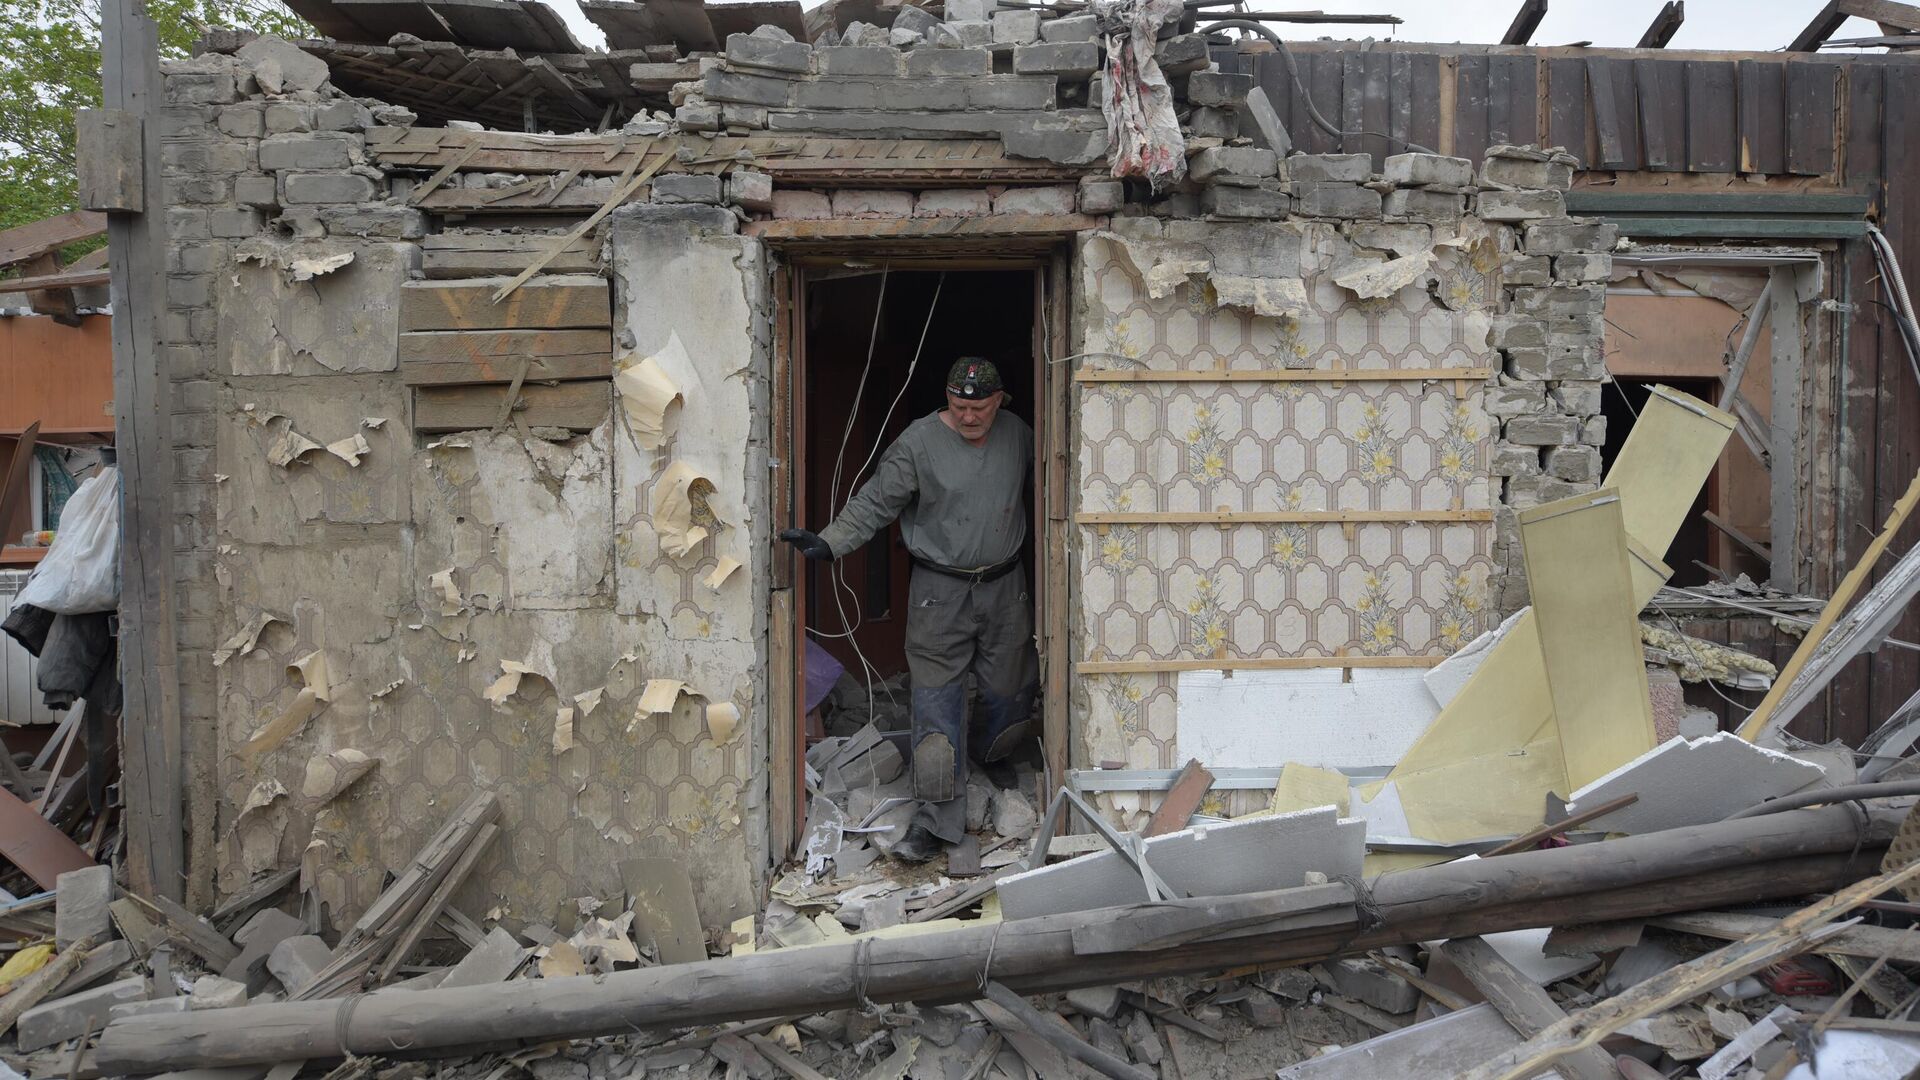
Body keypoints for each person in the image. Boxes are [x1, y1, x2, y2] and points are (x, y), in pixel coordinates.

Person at [780, 358, 1038, 862]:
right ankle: (936, 821)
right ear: (947, 400)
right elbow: (876, 502)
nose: (969, 417)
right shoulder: (919, 443)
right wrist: (831, 542)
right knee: (936, 706)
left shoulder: (1019, 434)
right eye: (960, 406)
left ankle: (990, 754)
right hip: (938, 593)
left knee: (1011, 692)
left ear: (999, 400)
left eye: (979, 407)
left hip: (1007, 587)